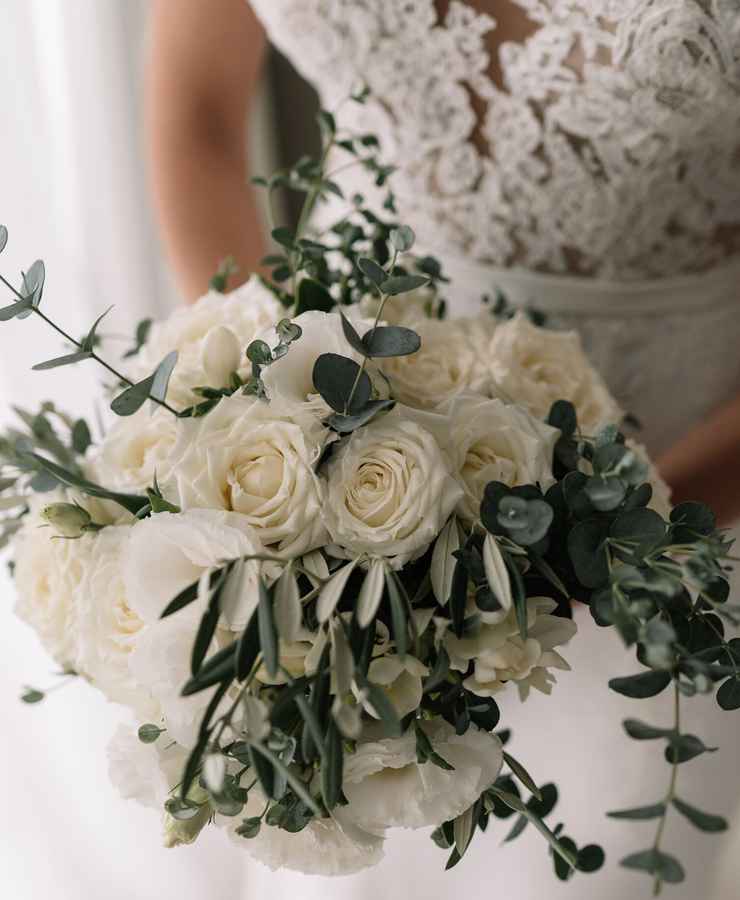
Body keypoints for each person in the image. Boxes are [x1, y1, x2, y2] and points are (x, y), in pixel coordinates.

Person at [146, 2, 740, 898]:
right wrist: (257, 401)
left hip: (681, 487)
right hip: (338, 414)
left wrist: (610, 546)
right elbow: (197, 109)